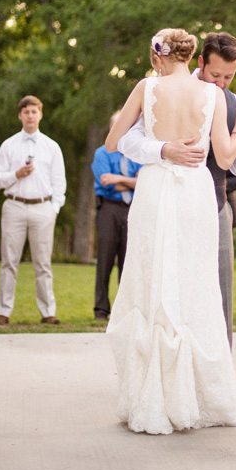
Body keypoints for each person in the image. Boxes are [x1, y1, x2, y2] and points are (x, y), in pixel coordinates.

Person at [105, 28, 236, 435]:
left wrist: (158, 149)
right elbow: (225, 155)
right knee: (198, 288)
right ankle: (204, 395)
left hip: (155, 190)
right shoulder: (215, 96)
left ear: (157, 57)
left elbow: (113, 142)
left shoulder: (146, 88)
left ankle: (156, 397)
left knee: (153, 286)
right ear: (193, 58)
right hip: (196, 194)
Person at [119, 31, 236, 348]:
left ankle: (218, 374)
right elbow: (127, 139)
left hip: (214, 205)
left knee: (218, 294)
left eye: (229, 76)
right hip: (168, 204)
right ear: (200, 62)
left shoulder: (232, 101)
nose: (222, 82)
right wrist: (162, 149)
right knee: (168, 290)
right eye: (216, 74)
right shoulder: (161, 89)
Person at [0, 95, 66, 326]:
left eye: (34, 111)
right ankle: (3, 312)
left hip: (42, 208)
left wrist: (53, 208)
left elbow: (59, 183)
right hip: (14, 205)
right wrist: (16, 174)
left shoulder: (51, 146)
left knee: (43, 263)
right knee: (9, 262)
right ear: (20, 115)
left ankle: (47, 312)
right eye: (26, 112)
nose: (30, 116)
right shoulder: (9, 145)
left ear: (40, 114)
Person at [91, 113, 142, 321]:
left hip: (132, 209)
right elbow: (106, 182)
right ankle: (101, 309)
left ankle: (124, 310)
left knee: (128, 260)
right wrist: (130, 181)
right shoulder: (102, 153)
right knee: (105, 258)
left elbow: (143, 182)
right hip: (109, 209)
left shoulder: (138, 154)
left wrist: (118, 179)